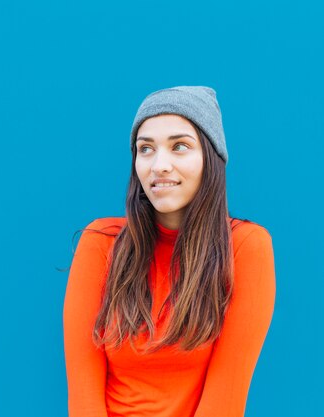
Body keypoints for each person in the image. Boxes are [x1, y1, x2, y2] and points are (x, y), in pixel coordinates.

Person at [62, 86, 276, 417]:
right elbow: (83, 399)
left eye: (179, 146)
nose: (159, 165)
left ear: (210, 156)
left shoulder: (247, 246)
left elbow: (226, 401)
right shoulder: (100, 241)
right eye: (145, 149)